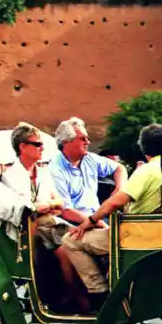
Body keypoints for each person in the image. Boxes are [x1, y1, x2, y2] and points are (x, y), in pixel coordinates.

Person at [51, 117, 127, 311]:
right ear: (67, 143)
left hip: (95, 218)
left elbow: (119, 168)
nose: (88, 142)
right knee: (67, 246)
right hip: (70, 221)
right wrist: (96, 222)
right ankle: (83, 298)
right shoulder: (55, 169)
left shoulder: (90, 160)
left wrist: (119, 187)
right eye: (83, 138)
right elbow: (65, 210)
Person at [0, 122, 66, 247]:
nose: (42, 148)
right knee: (68, 244)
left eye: (42, 144)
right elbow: (25, 210)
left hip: (50, 225)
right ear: (22, 147)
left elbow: (61, 203)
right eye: (37, 144)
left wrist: (46, 206)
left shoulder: (43, 173)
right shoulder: (10, 176)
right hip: (26, 231)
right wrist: (50, 206)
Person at [87, 124, 162, 222]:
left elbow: (115, 203)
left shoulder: (146, 170)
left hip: (140, 230)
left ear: (143, 147)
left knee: (72, 237)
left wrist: (90, 221)